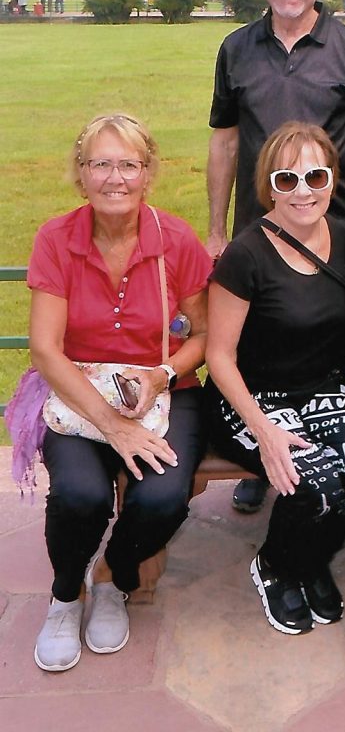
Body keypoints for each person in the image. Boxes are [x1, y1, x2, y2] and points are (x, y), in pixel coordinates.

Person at [206, 0, 345, 514]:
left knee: (328, 342)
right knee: (258, 342)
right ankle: (263, 451)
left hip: (332, 229)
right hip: (259, 231)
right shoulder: (237, 49)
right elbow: (225, 143)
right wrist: (216, 228)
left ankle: (324, 446)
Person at [23, 114, 211, 671]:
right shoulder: (56, 238)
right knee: (82, 495)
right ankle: (64, 595)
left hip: (165, 387)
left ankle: (112, 577)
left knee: (163, 496)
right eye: (99, 164)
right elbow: (45, 351)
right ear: (80, 175)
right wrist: (112, 423)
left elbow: (203, 335)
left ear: (148, 172)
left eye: (128, 164)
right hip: (77, 391)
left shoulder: (174, 238)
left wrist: (160, 375)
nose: (114, 177)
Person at [204, 122, 345, 635]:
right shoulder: (246, 254)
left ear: (333, 179)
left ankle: (309, 558)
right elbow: (219, 356)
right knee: (312, 478)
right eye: (286, 179)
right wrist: (263, 430)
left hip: (324, 386)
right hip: (251, 395)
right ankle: (275, 565)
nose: (302, 190)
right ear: (268, 186)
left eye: (315, 176)